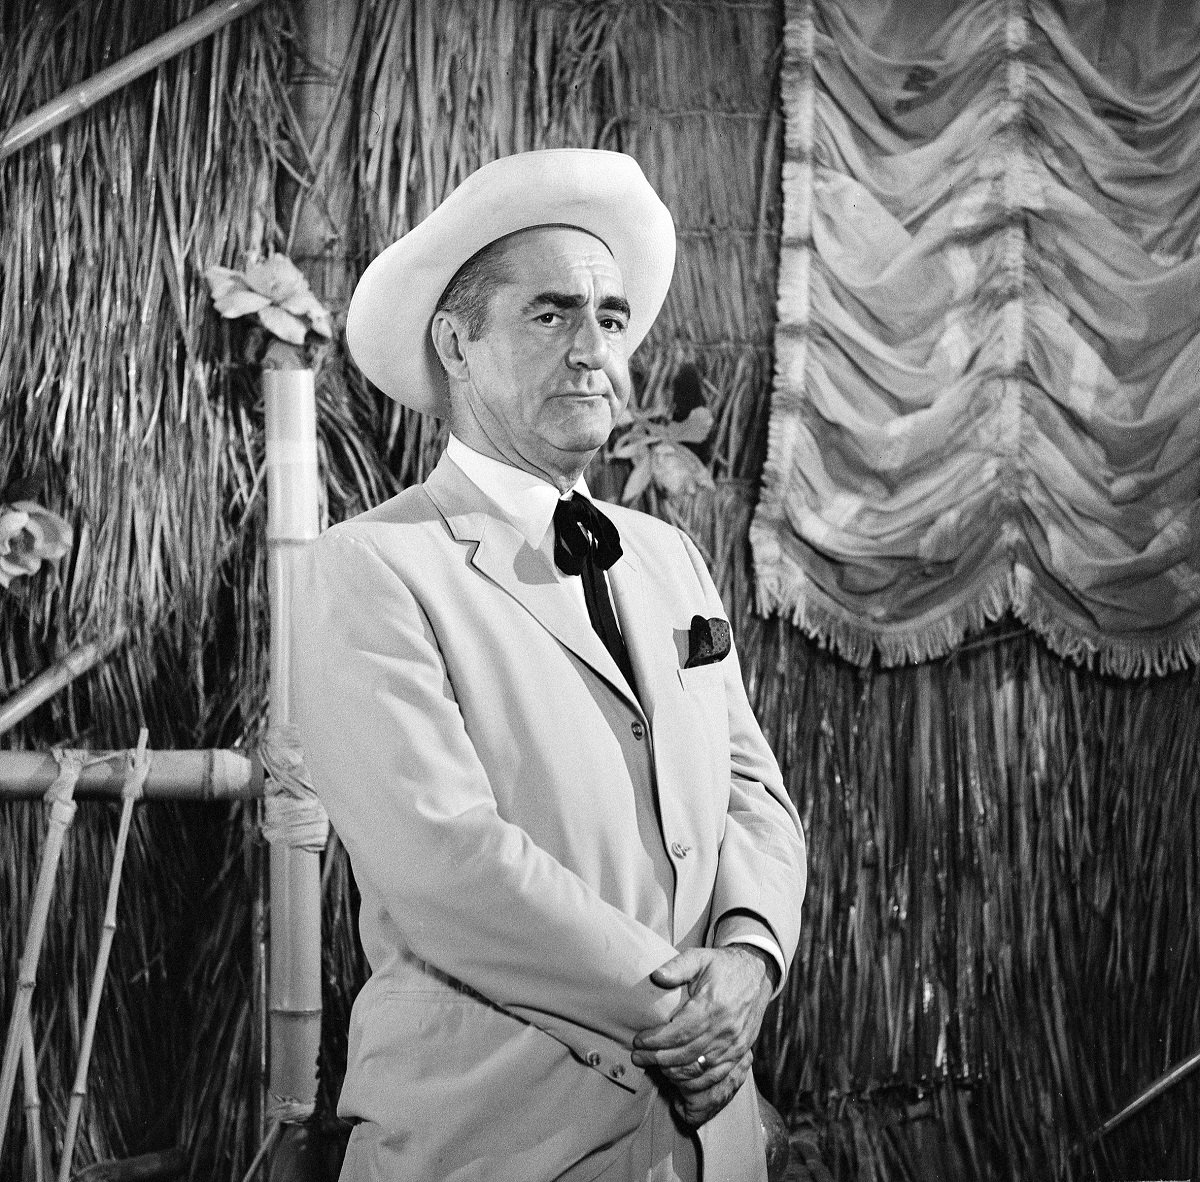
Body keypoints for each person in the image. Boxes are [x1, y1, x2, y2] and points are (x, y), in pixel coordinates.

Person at [292, 149, 807, 1182]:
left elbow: (753, 790)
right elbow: (447, 864)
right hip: (494, 1144)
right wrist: (689, 1008)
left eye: (612, 319)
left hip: (708, 1147)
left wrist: (750, 960)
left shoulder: (669, 556)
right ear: (458, 344)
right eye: (550, 314)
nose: (593, 349)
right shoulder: (369, 568)